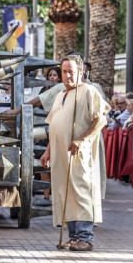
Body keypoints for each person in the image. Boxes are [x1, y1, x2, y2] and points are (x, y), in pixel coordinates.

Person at [39, 55, 106, 251]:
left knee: (81, 191)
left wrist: (82, 139)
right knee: (64, 192)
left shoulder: (89, 92)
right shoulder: (61, 95)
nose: (67, 76)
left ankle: (85, 237)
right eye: (64, 72)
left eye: (71, 72)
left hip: (78, 153)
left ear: (81, 72)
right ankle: (74, 236)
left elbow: (100, 120)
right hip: (60, 155)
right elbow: (54, 125)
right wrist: (47, 151)